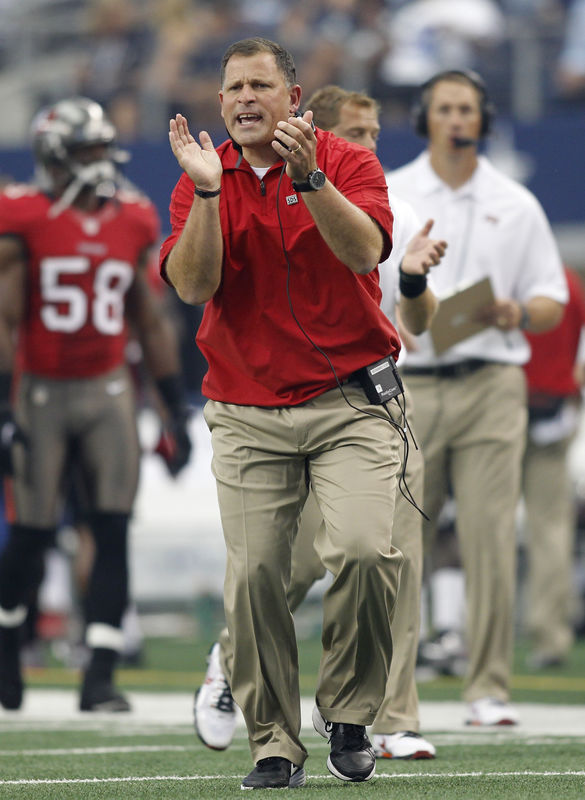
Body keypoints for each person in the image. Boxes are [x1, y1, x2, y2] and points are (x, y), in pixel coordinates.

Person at [160, 35, 428, 789]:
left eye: (259, 86)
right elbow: (189, 285)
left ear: (293, 99)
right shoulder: (198, 180)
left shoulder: (345, 161)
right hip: (245, 409)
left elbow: (361, 252)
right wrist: (209, 194)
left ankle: (347, 711)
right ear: (218, 105)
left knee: (366, 552)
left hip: (351, 399)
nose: (244, 99)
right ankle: (272, 743)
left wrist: (310, 178)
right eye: (232, 89)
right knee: (253, 581)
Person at [387, 69, 568, 726]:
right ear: (424, 118)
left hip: (492, 380)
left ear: (483, 119)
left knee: (492, 537)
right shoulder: (394, 191)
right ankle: (392, 698)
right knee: (401, 539)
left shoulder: (514, 202)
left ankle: (487, 687)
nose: (456, 119)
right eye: (444, 108)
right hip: (414, 383)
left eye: (466, 108)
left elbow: (553, 298)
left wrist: (517, 311)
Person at [0, 97, 192, 713]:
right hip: (41, 390)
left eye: (104, 148)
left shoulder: (133, 217)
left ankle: (101, 674)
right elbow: (3, 321)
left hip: (109, 388)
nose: (100, 161)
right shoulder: (23, 214)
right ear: (57, 157)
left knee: (111, 528)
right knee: (30, 534)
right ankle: (7, 655)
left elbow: (153, 321)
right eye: (87, 150)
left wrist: (171, 407)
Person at [522, 266, 585, 669]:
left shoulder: (511, 278)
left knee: (485, 531)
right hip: (555, 409)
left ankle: (473, 637)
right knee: (551, 530)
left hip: (502, 411)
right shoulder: (571, 286)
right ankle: (551, 636)